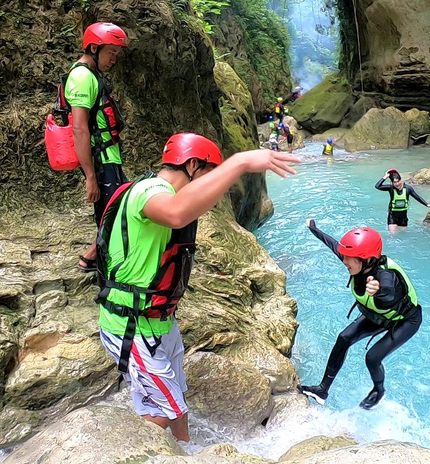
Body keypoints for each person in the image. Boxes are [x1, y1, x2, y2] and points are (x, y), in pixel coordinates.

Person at [96, 133, 300, 440]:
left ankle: (184, 452)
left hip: (158, 321)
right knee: (165, 408)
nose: (215, 192)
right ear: (192, 165)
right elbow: (175, 213)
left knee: (175, 398)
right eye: (210, 174)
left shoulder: (155, 191)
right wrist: (240, 162)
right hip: (130, 324)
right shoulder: (150, 191)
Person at [300, 221, 422, 410]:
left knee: (372, 358)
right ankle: (322, 390)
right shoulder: (360, 262)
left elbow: (389, 292)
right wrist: (314, 229)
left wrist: (378, 291)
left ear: (365, 259)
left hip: (406, 320)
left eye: (349, 258)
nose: (344, 261)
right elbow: (333, 245)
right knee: (343, 338)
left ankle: (379, 390)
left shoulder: (386, 277)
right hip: (380, 316)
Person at [65, 22, 130, 272]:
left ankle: (93, 256)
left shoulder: (91, 75)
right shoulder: (82, 77)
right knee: (111, 213)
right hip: (102, 160)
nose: (114, 59)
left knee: (119, 205)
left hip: (108, 156)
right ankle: (100, 266)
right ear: (94, 47)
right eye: (111, 52)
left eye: (117, 54)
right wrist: (90, 176)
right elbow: (79, 129)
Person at [375, 168, 430, 233]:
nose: (397, 184)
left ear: (401, 180)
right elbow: (377, 186)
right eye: (395, 182)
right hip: (392, 217)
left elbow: (417, 197)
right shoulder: (391, 188)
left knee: (402, 235)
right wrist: (385, 177)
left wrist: (426, 204)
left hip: (403, 217)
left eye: (398, 181)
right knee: (393, 237)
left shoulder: (408, 188)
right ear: (392, 183)